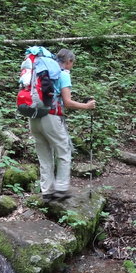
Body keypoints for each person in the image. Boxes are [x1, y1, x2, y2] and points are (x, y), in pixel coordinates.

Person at [29, 48, 95, 201]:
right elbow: (68, 102)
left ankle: (47, 192)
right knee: (63, 151)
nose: (72, 66)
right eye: (72, 63)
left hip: (33, 116)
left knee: (44, 155)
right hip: (51, 117)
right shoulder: (63, 74)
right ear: (68, 61)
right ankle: (61, 189)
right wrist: (87, 106)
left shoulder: (39, 71)